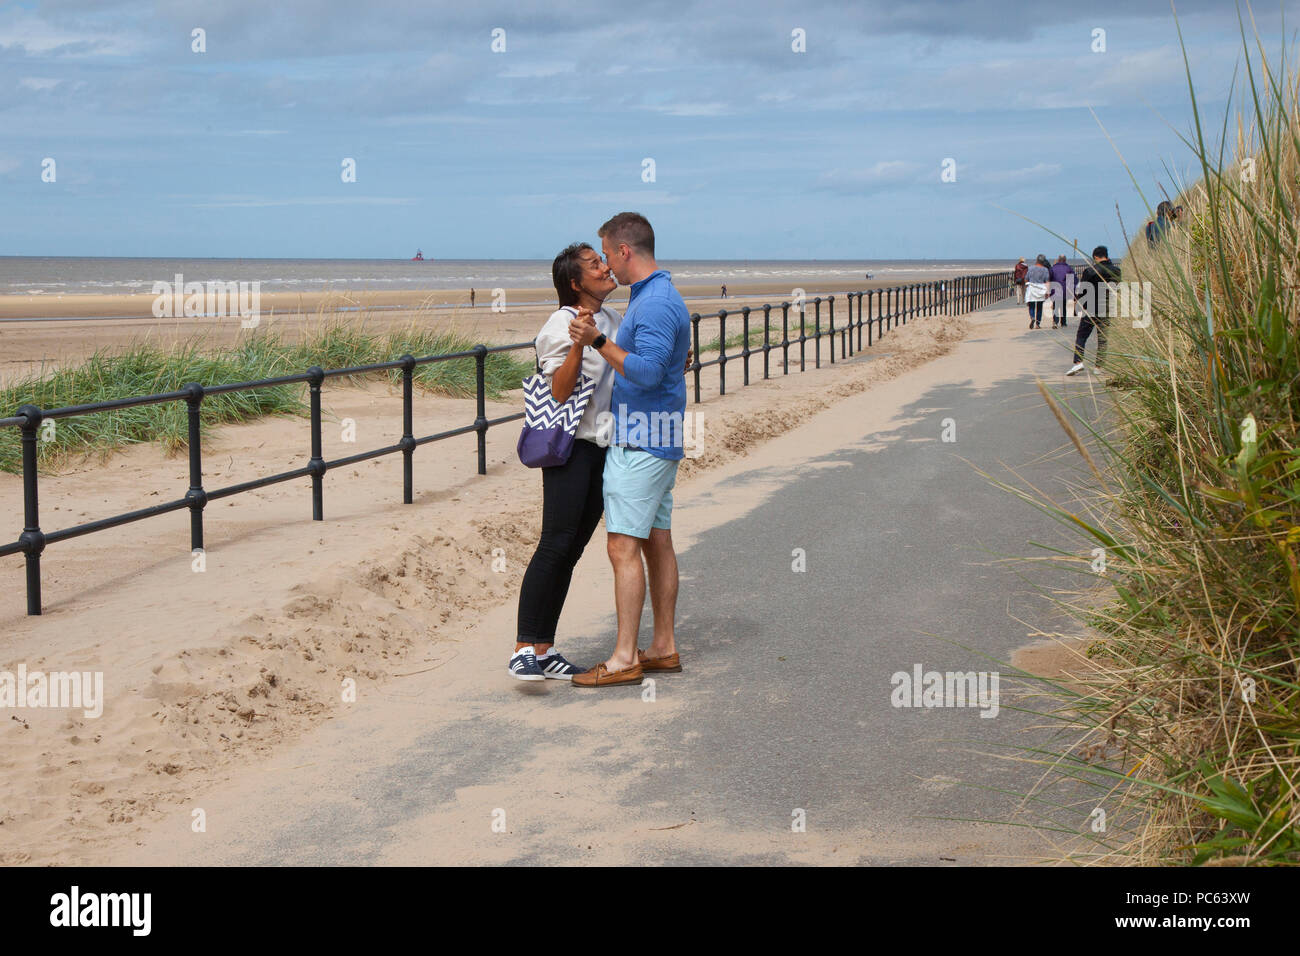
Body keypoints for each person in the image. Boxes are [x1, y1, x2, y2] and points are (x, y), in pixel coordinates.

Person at [567, 212, 691, 687]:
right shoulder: (652, 296)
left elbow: (648, 372)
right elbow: (666, 362)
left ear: (624, 251)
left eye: (606, 253)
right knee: (657, 541)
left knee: (622, 545)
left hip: (643, 440)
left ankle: (624, 659)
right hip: (655, 436)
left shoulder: (656, 302)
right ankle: (662, 647)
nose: (606, 267)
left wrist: (596, 339)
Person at [508, 244, 622, 681]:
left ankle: (545, 648)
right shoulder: (559, 325)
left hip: (605, 447)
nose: (606, 267)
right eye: (595, 265)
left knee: (571, 551)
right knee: (554, 542)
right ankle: (522, 648)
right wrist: (578, 344)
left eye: (604, 261)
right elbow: (559, 391)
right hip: (570, 446)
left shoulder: (614, 319)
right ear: (576, 283)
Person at [1067, 245, 1121, 376]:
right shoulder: (1117, 271)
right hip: (1107, 307)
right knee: (1103, 338)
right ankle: (1098, 367)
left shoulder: (1090, 271)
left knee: (1082, 336)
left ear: (1096, 257)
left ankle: (1078, 363)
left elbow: (1082, 290)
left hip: (1091, 307)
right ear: (1106, 256)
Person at [1025, 255, 1050, 328]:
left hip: (1032, 288)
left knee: (1031, 305)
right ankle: (1037, 324)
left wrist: (1027, 285)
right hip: (1041, 289)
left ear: (1037, 260)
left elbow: (1026, 278)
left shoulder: (1031, 268)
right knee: (1039, 307)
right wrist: (1048, 292)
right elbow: (1047, 281)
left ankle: (1032, 317)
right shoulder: (1045, 270)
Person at [1049, 255, 1074, 329]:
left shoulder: (1053, 268)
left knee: (1055, 306)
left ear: (1058, 260)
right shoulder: (1068, 268)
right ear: (1065, 260)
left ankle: (1055, 322)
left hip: (1055, 290)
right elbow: (1071, 280)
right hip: (1064, 290)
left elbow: (1049, 279)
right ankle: (1063, 322)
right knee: (1063, 306)